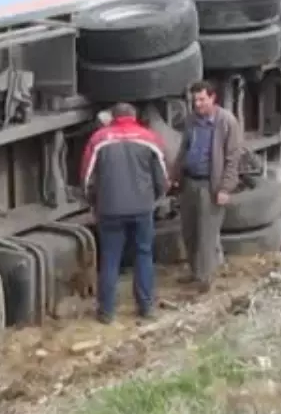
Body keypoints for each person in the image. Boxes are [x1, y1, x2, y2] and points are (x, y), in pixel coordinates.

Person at [79, 102, 168, 324]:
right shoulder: (149, 138)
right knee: (144, 255)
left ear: (112, 117)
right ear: (134, 117)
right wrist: (153, 198)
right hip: (142, 208)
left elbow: (87, 178)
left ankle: (106, 312)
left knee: (110, 258)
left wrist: (95, 201)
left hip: (109, 209)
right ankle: (146, 307)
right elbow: (162, 179)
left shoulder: (99, 139)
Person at [174, 80, 245, 294]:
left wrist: (225, 188)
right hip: (189, 182)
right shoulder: (191, 121)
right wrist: (175, 175)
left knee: (207, 233)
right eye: (194, 100)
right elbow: (183, 149)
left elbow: (233, 158)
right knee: (189, 231)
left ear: (213, 98)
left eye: (202, 99)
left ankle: (206, 280)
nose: (197, 104)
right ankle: (195, 272)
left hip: (210, 184)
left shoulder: (226, 122)